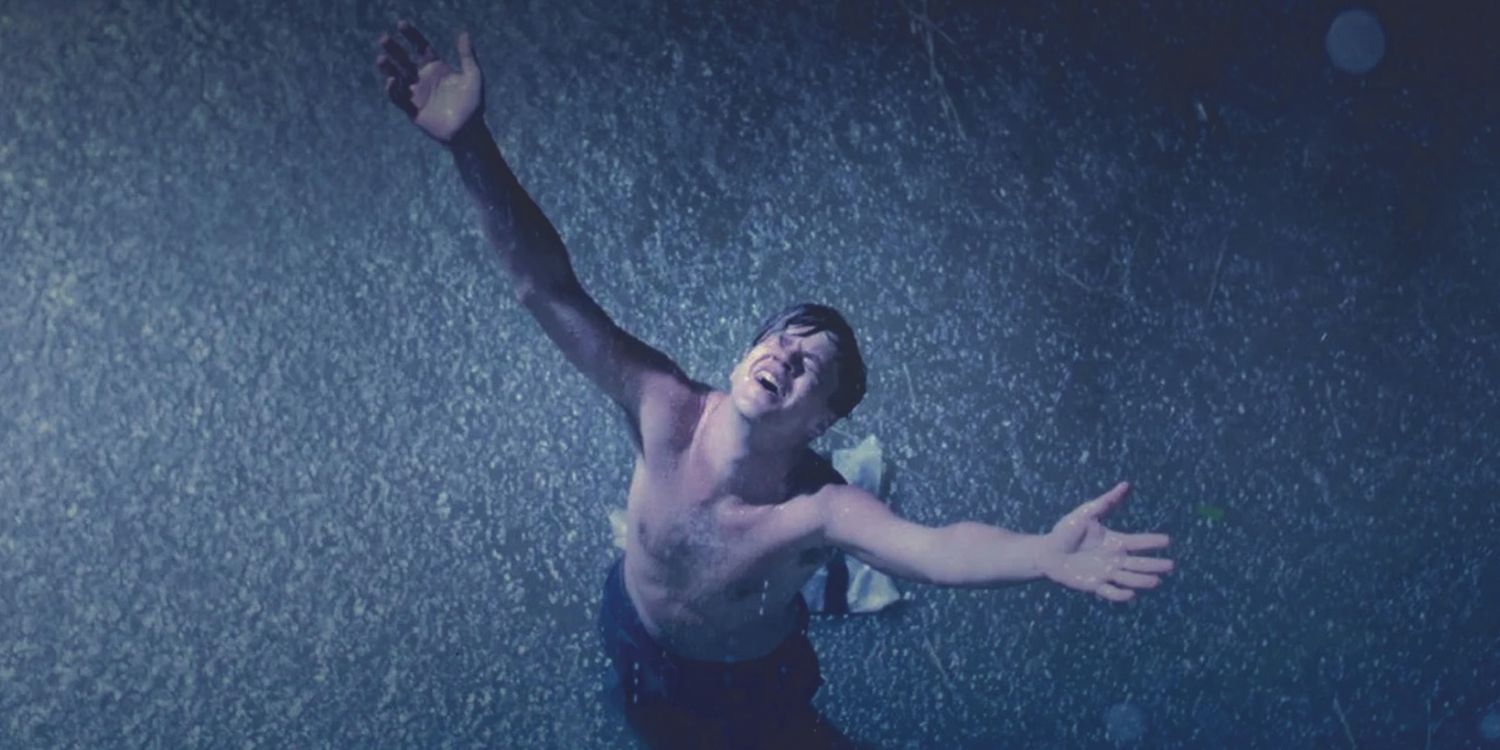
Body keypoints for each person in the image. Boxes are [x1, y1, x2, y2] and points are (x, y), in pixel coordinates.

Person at [376, 21, 1175, 749]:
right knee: (647, 723)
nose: (788, 357)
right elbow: (547, 290)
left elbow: (931, 549)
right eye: (781, 340)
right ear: (743, 356)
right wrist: (469, 145)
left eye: (812, 367)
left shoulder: (818, 507)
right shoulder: (662, 408)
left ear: (820, 421)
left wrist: (1041, 552)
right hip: (634, 630)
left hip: (747, 681)